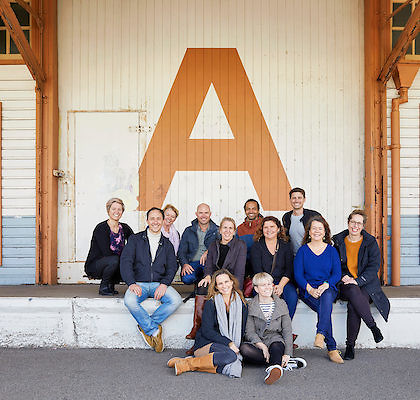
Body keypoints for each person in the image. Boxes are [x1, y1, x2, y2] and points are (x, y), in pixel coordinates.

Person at [121, 207, 182, 353]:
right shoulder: (135, 239)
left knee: (176, 300)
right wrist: (131, 283)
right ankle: (154, 331)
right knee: (129, 301)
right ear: (147, 220)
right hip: (139, 284)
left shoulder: (167, 243)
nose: (155, 222)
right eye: (152, 218)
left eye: (158, 219)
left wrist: (164, 284)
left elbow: (172, 267)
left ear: (162, 221)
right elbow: (125, 262)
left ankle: (146, 326)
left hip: (158, 284)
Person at [167, 269, 248, 378]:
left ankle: (186, 362)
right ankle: (188, 365)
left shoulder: (242, 304)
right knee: (231, 356)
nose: (224, 286)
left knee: (230, 357)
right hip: (206, 343)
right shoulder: (211, 302)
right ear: (216, 287)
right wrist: (229, 343)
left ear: (232, 282)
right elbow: (207, 331)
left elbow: (241, 330)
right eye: (220, 283)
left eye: (226, 282)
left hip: (226, 345)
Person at [333, 210, 390, 360]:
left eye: (359, 223)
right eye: (353, 222)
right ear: (348, 222)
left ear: (363, 226)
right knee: (352, 290)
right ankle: (373, 327)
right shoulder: (338, 240)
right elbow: (332, 264)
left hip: (365, 284)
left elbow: (374, 267)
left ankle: (350, 346)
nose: (355, 226)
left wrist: (358, 280)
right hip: (345, 283)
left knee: (353, 305)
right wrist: (344, 276)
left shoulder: (370, 242)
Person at [240, 272, 307, 385]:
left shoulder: (281, 304)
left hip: (275, 339)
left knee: (276, 346)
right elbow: (249, 331)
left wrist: (287, 353)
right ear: (256, 289)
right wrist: (261, 346)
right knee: (244, 349)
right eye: (263, 285)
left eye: (269, 284)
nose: (267, 287)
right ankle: (282, 363)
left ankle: (273, 368)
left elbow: (287, 331)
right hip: (258, 342)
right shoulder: (250, 306)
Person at [294, 215, 344, 364]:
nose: (316, 231)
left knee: (327, 297)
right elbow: (298, 275)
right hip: (307, 289)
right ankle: (332, 348)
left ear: (325, 232)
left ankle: (321, 334)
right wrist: (309, 289)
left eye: (320, 229)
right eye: (313, 228)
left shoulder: (331, 250)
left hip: (327, 287)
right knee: (325, 310)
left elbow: (337, 274)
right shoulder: (302, 251)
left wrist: (326, 285)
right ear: (308, 232)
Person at [178, 203, 219, 342]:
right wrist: (184, 264)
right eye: (200, 212)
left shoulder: (217, 230)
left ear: (210, 214)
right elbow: (181, 251)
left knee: (206, 283)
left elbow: (223, 245)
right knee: (187, 278)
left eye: (206, 212)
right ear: (196, 214)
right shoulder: (189, 230)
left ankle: (198, 326)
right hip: (193, 263)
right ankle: (200, 284)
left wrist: (209, 251)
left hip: (210, 264)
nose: (203, 215)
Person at [250, 216, 298, 319]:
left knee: (292, 296)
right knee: (264, 298)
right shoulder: (256, 247)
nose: (269, 230)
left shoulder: (286, 246)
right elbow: (257, 272)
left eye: (272, 226)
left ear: (278, 229)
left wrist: (280, 286)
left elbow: (289, 270)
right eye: (266, 227)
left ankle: (285, 328)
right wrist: (269, 286)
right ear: (262, 230)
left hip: (283, 282)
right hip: (262, 283)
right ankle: (268, 330)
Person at [84, 198, 134, 296]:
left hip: (115, 262)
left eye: (119, 209)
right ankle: (104, 286)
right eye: (113, 209)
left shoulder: (125, 228)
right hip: (96, 265)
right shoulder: (101, 228)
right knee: (114, 260)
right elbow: (106, 252)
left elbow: (135, 242)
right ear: (108, 210)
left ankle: (111, 284)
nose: (117, 212)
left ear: (122, 211)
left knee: (126, 260)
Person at [282, 188, 321, 256]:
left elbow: (323, 234)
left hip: (311, 255)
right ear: (290, 200)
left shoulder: (314, 215)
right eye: (294, 198)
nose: (296, 200)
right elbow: (286, 237)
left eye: (299, 198)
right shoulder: (286, 217)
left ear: (304, 199)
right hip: (293, 257)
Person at [237, 199, 264, 296]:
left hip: (261, 264)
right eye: (248, 209)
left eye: (254, 209)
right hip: (244, 264)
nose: (251, 211)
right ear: (245, 211)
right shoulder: (239, 229)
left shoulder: (264, 226)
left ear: (258, 210)